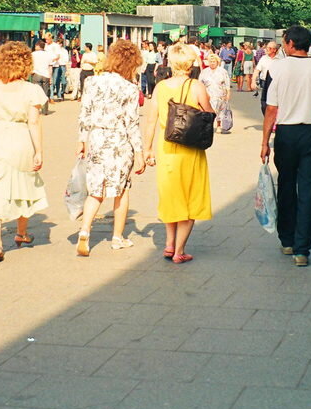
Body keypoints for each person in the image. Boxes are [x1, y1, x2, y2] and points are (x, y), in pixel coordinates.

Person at [261, 25, 311, 267]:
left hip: (286, 134)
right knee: (308, 190)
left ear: (290, 43)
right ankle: (302, 249)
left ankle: (287, 239)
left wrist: (264, 142)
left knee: (286, 185)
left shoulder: (276, 68)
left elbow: (270, 109)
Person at [0, 41, 47, 263]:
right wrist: (39, 151)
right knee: (23, 184)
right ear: (26, 63)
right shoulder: (32, 90)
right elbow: (34, 123)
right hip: (21, 139)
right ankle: (21, 233)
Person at [142, 43, 213, 264]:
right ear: (191, 64)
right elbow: (209, 113)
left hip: (166, 149)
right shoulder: (196, 86)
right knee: (191, 197)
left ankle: (169, 244)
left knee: (171, 196)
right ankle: (180, 251)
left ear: (171, 62)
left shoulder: (161, 87)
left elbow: (151, 120)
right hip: (190, 150)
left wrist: (147, 149)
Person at [75, 40, 146, 256]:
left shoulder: (92, 82)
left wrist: (82, 141)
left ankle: (85, 232)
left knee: (96, 190)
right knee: (121, 190)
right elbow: (132, 123)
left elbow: (84, 114)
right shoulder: (130, 89)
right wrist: (140, 153)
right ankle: (117, 238)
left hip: (96, 137)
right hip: (119, 141)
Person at [199, 53, 231, 134]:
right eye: (210, 61)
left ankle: (219, 125)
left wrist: (228, 93)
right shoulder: (204, 72)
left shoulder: (223, 71)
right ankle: (208, 126)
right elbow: (200, 83)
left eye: (214, 61)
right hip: (208, 94)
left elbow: (227, 83)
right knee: (208, 111)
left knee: (220, 111)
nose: (212, 63)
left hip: (220, 94)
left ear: (217, 62)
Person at [251, 41, 280, 115]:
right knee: (264, 104)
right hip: (264, 83)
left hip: (276, 83)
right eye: (266, 47)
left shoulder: (280, 59)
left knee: (275, 104)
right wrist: (253, 81)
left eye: (269, 48)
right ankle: (267, 118)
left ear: (274, 50)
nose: (266, 49)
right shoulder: (264, 58)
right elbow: (257, 70)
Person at [30, 40, 52, 115]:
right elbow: (50, 66)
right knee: (45, 93)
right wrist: (50, 77)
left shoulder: (33, 54)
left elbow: (30, 64)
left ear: (38, 46)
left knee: (36, 93)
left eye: (36, 45)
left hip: (36, 74)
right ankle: (45, 110)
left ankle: (37, 110)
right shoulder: (48, 54)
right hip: (46, 75)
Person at [45, 34, 66, 102]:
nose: (46, 41)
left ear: (51, 38)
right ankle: (50, 96)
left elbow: (58, 55)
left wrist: (54, 60)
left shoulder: (56, 46)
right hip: (48, 65)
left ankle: (52, 95)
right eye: (45, 39)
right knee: (49, 81)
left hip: (55, 65)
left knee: (54, 81)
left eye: (47, 39)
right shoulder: (45, 46)